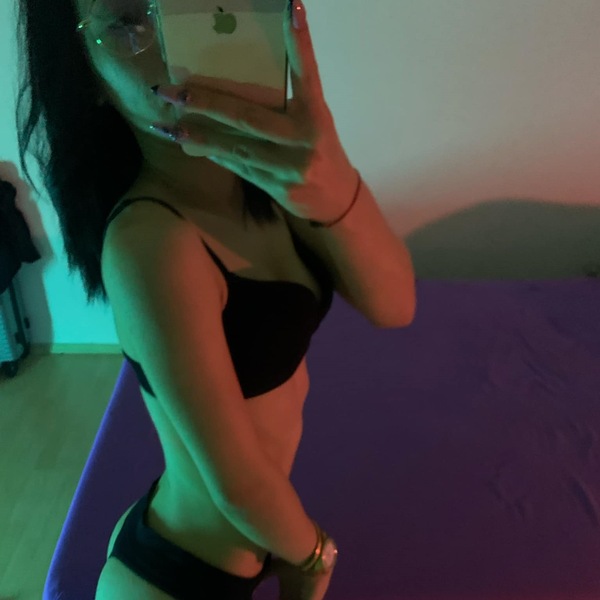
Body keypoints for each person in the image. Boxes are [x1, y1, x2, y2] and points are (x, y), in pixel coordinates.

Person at [15, 0, 416, 598]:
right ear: (86, 74)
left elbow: (394, 306)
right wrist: (313, 557)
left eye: (189, 6)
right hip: (182, 571)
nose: (171, 45)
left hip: (257, 533)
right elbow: (237, 482)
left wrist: (335, 183)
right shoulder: (151, 241)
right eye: (126, 22)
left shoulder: (266, 183)